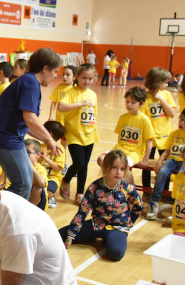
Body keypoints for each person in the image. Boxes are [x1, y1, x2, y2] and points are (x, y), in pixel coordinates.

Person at [0, 48, 62, 200]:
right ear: (45, 68)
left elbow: (26, 125)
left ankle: (4, 216)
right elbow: (30, 118)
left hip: (9, 138)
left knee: (25, 184)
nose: (55, 76)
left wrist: (46, 138)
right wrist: (48, 139)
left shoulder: (29, 81)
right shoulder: (30, 83)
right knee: (22, 185)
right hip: (2, 139)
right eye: (55, 71)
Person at [59, 150, 143, 261]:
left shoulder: (127, 188)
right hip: (96, 224)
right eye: (114, 168)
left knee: (116, 254)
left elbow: (138, 206)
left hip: (117, 227)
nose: (118, 172)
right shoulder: (95, 187)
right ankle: (99, 236)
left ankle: (111, 238)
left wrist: (129, 223)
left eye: (122, 169)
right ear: (106, 168)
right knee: (59, 235)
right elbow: (83, 211)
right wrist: (71, 236)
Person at [146, 105, 185, 220]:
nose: (182, 122)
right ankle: (154, 203)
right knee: (162, 172)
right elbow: (167, 150)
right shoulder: (174, 133)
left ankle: (177, 206)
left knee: (181, 178)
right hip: (173, 160)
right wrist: (159, 161)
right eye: (181, 118)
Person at [96, 86, 154, 184]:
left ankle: (131, 190)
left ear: (142, 104)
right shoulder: (123, 117)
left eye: (133, 102)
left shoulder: (144, 120)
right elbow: (120, 138)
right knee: (101, 159)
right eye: (127, 101)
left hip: (134, 152)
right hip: (119, 149)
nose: (129, 104)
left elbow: (149, 141)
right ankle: (112, 183)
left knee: (121, 165)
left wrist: (145, 159)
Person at [58, 63, 98, 204]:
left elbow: (93, 114)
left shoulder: (93, 94)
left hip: (89, 134)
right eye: (84, 78)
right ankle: (66, 179)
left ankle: (80, 193)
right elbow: (61, 106)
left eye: (90, 78)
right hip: (74, 134)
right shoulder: (71, 92)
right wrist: (80, 103)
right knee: (79, 163)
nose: (87, 81)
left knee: (85, 165)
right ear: (77, 77)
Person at [140, 67, 178, 188]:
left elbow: (172, 114)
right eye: (165, 82)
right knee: (146, 165)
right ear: (156, 81)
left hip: (165, 136)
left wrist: (162, 100)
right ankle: (146, 189)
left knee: (165, 166)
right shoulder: (144, 98)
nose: (167, 85)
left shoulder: (166, 94)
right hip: (150, 138)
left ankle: (164, 190)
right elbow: (142, 119)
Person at [41, 121, 66, 209]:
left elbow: (58, 168)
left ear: (50, 134)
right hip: (40, 176)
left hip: (53, 177)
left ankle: (51, 196)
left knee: (47, 191)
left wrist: (46, 158)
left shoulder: (60, 149)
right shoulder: (40, 146)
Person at [24, 138, 49, 210]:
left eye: (28, 152)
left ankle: (27, 212)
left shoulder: (40, 169)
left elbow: (41, 183)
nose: (24, 155)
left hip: (38, 205)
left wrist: (30, 166)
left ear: (38, 155)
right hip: (25, 195)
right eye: (23, 152)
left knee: (38, 188)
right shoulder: (19, 166)